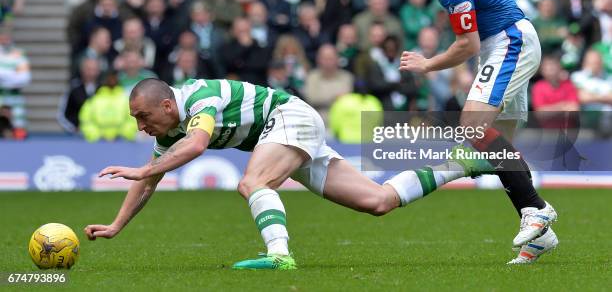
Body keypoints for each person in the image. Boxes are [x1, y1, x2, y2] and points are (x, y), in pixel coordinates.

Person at [84, 77, 489, 270]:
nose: (140, 126)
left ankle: (279, 255)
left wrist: (140, 168)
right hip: (288, 132)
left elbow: (196, 145)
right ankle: (463, 162)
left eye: (143, 116)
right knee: (378, 201)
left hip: (289, 117)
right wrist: (118, 225)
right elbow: (150, 180)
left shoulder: (198, 99)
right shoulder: (167, 129)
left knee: (253, 182)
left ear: (168, 106)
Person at [381, 0, 558, 264]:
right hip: (507, 41)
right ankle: (538, 235)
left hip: (509, 42)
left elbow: (466, 44)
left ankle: (538, 210)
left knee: (472, 128)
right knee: (495, 147)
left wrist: (427, 65)